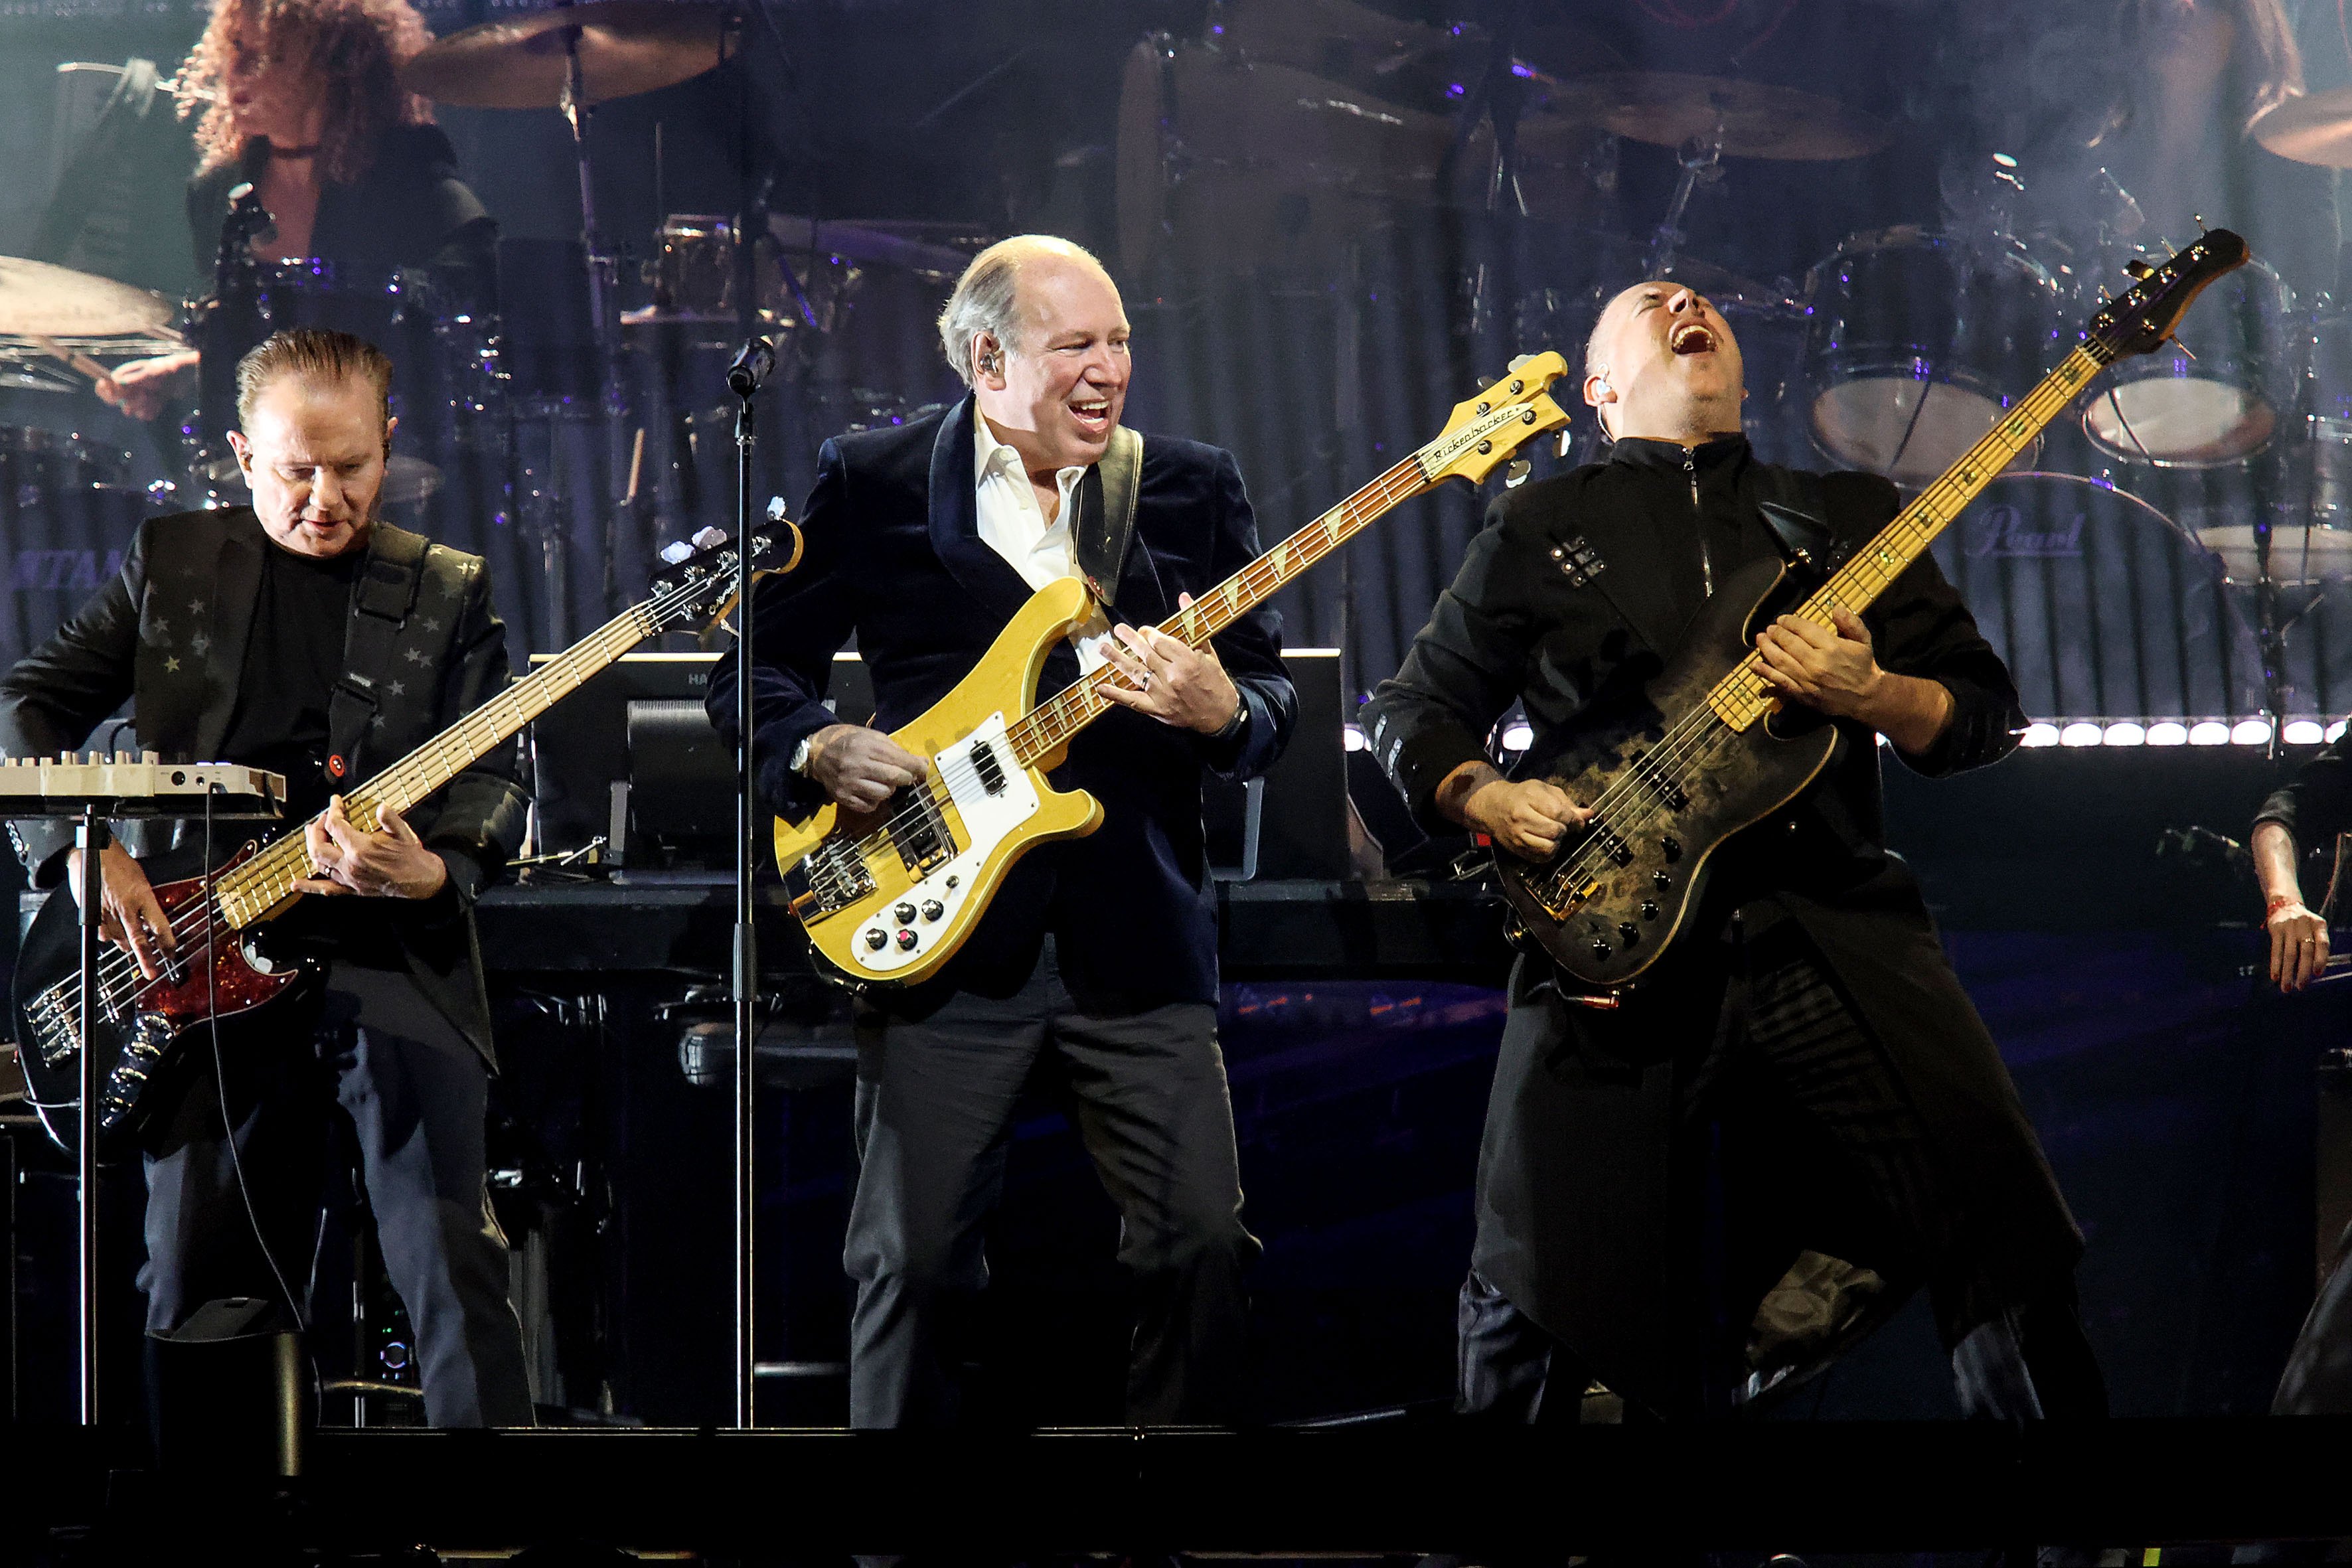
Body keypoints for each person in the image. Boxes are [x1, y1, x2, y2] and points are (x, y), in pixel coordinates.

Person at [1362, 281, 2106, 1423]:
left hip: (1825, 917)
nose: (1684, 301)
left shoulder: (1844, 512)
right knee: (1529, 1278)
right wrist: (1486, 794)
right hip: (1612, 933)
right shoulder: (1538, 522)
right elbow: (1413, 709)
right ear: (1599, 388)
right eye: (1649, 302)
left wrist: (1874, 691)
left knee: (2004, 1228)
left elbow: (1979, 713)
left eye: (1699, 298)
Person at [708, 235, 1296, 1427]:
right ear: (987, 360)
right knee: (911, 1266)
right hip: (938, 935)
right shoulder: (870, 480)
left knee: (1199, 1246)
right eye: (1075, 344)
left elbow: (1269, 702)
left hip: (1134, 939)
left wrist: (1223, 709)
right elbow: (749, 671)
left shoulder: (1186, 486)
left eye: (1119, 340)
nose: (1108, 368)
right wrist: (815, 747)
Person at [0, 327, 534, 1427]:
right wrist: (81, 852)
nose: (325, 499)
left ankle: (485, 1503)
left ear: (389, 446)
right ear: (242, 455)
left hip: (386, 951)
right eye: (296, 471)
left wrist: (434, 869)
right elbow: (26, 704)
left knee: (451, 1264)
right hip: (199, 955)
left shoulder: (447, 588)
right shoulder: (175, 560)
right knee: (202, 1278)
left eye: (352, 468)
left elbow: (497, 771)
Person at [96, 0, 496, 423]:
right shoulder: (216, 192)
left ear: (333, 67)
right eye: (237, 47)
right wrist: (186, 372)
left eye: (268, 54)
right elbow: (258, 347)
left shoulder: (409, 177)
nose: (237, 69)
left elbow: (464, 325)